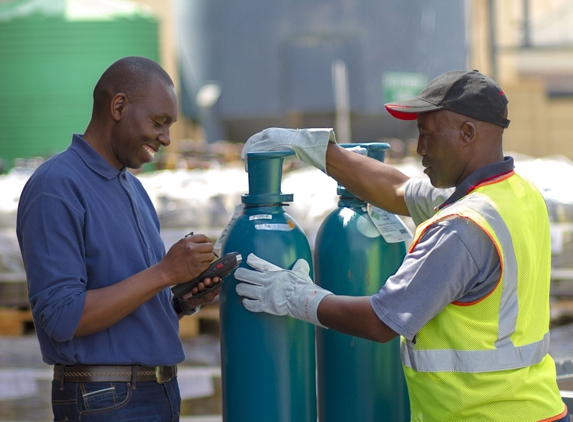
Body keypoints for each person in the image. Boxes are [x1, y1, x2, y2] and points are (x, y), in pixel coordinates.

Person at [235, 70, 569, 421]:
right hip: (536, 408)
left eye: (427, 134)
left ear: (467, 133)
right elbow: (397, 190)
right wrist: (316, 149)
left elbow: (382, 321)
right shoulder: (519, 194)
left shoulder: (461, 229)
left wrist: (297, 297)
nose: (420, 148)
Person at [16, 56, 220, 422]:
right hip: (104, 399)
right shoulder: (56, 187)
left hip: (156, 391)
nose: (167, 138)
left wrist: (181, 300)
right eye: (159, 122)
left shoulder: (134, 189)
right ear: (119, 106)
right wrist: (163, 273)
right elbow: (62, 317)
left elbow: (129, 299)